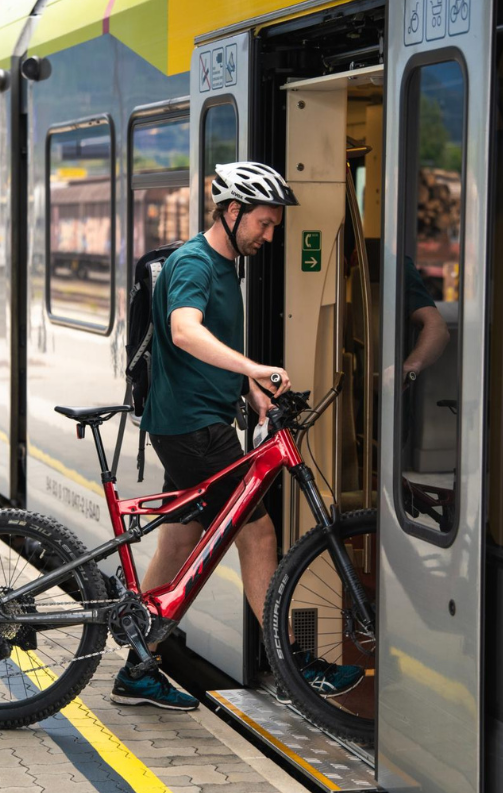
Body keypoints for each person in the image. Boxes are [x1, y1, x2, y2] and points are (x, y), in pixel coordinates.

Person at [111, 161, 364, 710]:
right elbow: (184, 331)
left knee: (180, 538)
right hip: (194, 428)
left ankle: (138, 663)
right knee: (259, 534)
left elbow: (211, 348)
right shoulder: (196, 263)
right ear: (232, 211)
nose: (270, 236)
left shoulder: (226, 266)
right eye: (264, 224)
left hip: (191, 422)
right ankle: (294, 667)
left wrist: (249, 390)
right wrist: (255, 368)